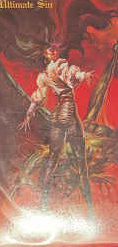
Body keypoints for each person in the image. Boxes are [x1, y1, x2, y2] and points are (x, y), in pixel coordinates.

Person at [19, 43, 95, 213]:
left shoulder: (58, 68)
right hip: (64, 113)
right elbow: (39, 96)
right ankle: (45, 205)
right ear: (46, 57)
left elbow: (73, 75)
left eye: (54, 50)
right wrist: (29, 114)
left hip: (68, 114)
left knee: (76, 161)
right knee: (62, 159)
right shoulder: (51, 72)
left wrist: (83, 75)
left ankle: (88, 207)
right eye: (49, 51)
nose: (53, 52)